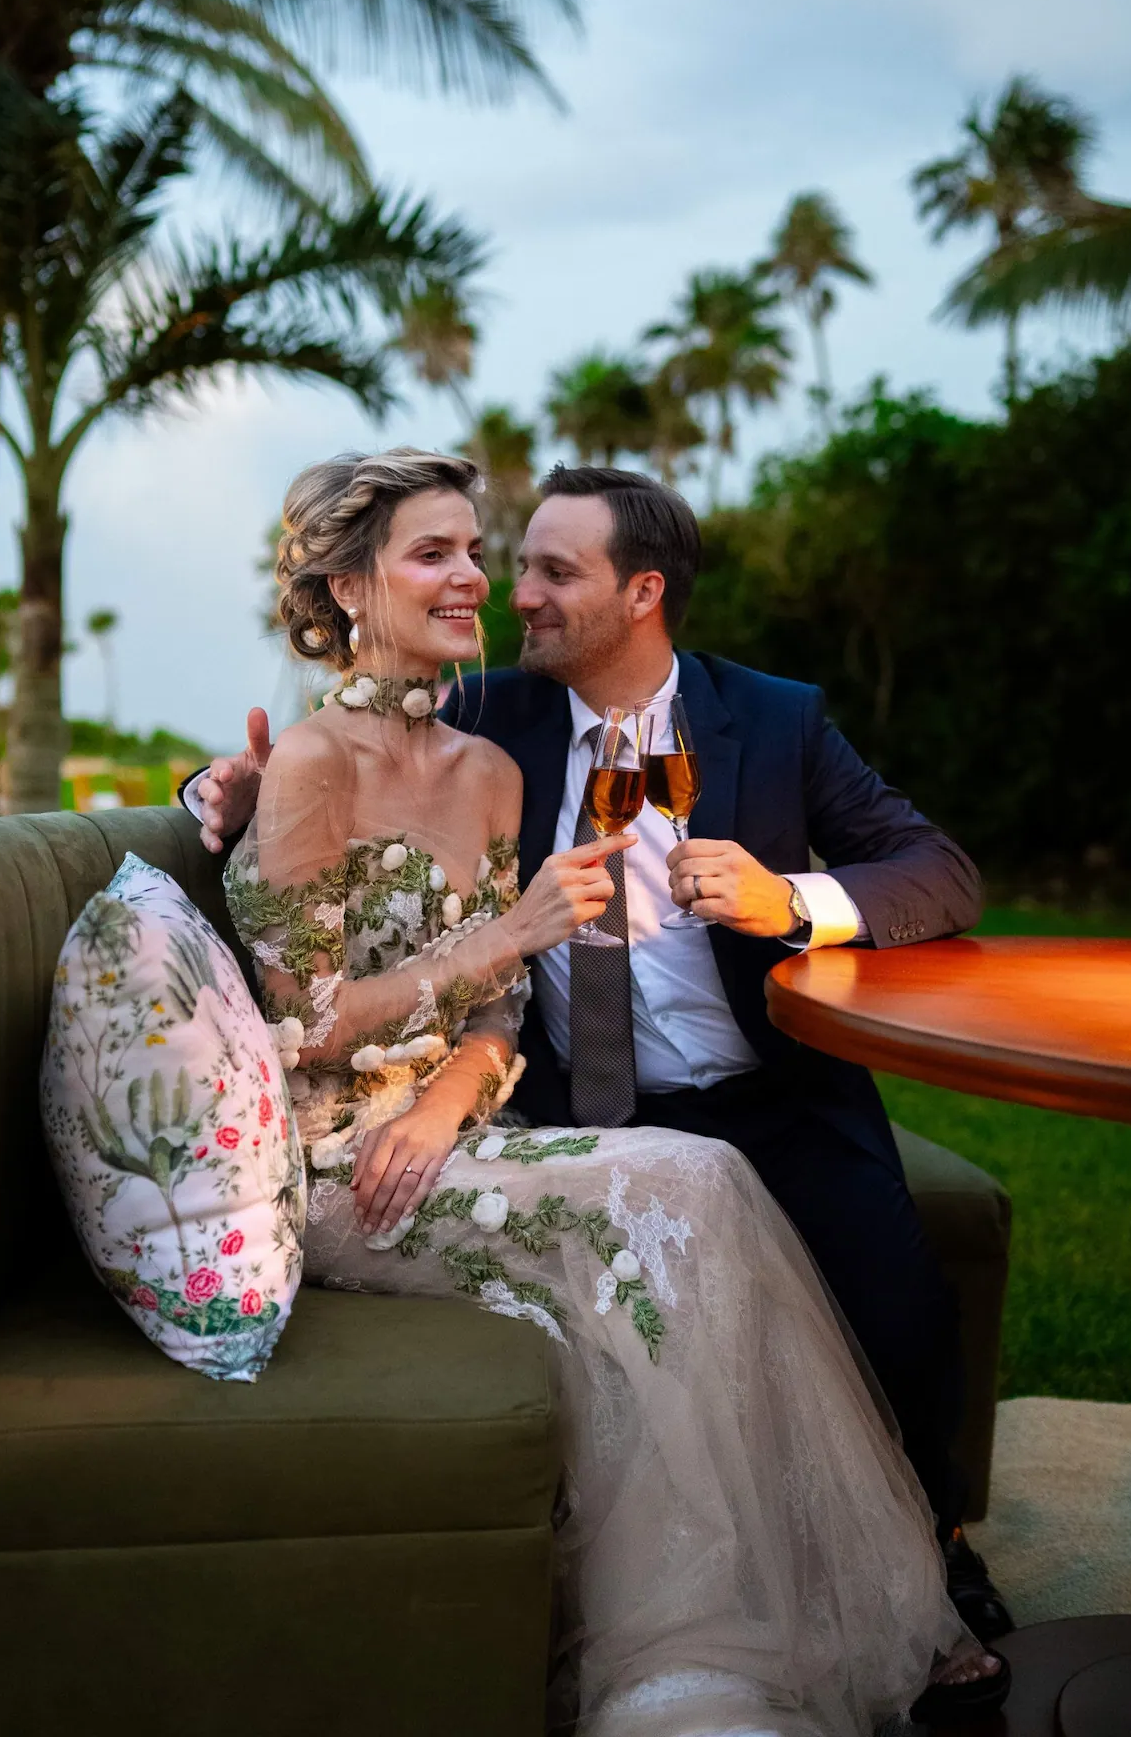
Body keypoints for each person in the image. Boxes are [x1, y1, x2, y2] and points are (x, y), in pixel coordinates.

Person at [205, 446, 1008, 1736]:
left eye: (542, 568)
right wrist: (223, 789)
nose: (508, 586)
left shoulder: (770, 720)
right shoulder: (506, 718)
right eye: (485, 558)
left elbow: (943, 870)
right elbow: (328, 832)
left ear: (641, 594)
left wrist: (791, 901)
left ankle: (918, 1560)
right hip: (574, 1102)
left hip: (763, 1090)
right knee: (681, 1228)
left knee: (896, 1289)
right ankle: (710, 1620)